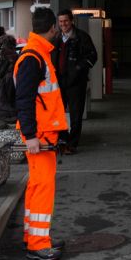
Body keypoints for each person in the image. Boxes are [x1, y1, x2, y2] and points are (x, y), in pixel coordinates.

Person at [14, 7, 69, 260]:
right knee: (43, 187)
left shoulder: (36, 54)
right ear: (53, 29)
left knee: (36, 185)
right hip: (40, 135)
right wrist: (31, 135)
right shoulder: (34, 57)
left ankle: (33, 237)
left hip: (43, 133)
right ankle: (38, 244)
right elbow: (23, 100)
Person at [53, 9, 98, 155]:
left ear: (72, 21)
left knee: (76, 115)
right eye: (60, 21)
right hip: (59, 82)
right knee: (58, 114)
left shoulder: (82, 37)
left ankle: (72, 144)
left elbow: (93, 56)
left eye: (66, 21)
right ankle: (63, 140)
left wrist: (78, 68)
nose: (63, 24)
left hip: (76, 83)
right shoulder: (56, 38)